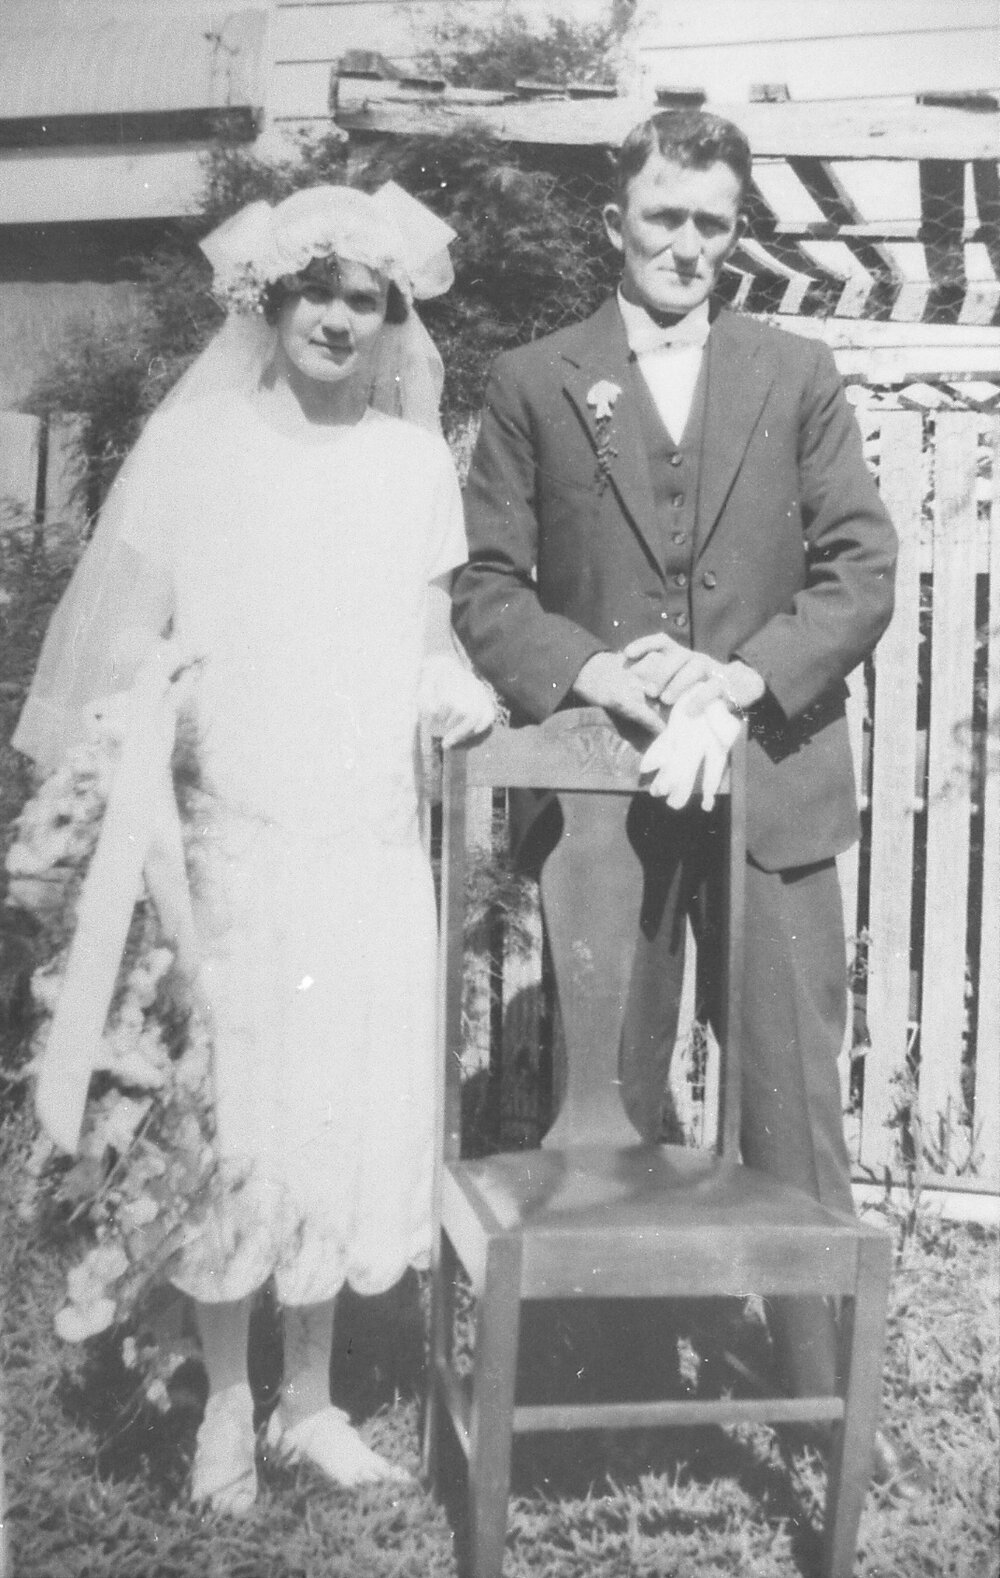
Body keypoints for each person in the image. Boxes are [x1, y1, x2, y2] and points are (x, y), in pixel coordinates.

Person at [14, 183, 494, 1512]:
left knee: (336, 1104)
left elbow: (425, 638)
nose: (339, 316)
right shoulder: (204, 452)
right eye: (316, 290)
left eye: (366, 297)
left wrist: (445, 688)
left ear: (395, 318)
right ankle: (227, 1400)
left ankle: (309, 1397)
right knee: (235, 1116)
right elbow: (134, 645)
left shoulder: (411, 467)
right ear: (269, 303)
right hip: (234, 837)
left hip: (365, 837)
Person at [452, 110, 913, 1485]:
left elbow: (860, 567)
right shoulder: (538, 380)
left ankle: (823, 1397)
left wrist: (739, 681)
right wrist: (600, 671)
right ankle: (629, 1381)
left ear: (735, 232)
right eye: (665, 217)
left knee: (788, 1100)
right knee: (613, 1099)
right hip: (608, 812)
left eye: (713, 222)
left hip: (769, 784)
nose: (689, 246)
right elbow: (488, 587)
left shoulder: (797, 370)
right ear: (618, 224)